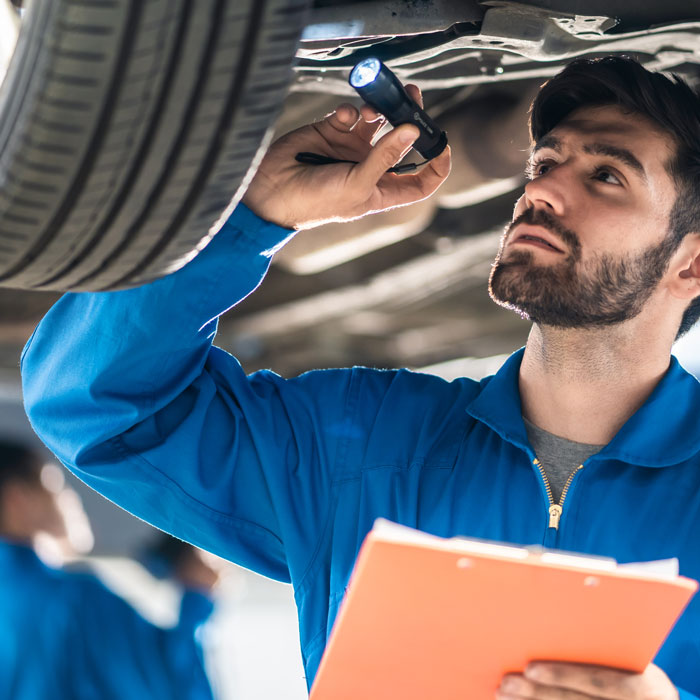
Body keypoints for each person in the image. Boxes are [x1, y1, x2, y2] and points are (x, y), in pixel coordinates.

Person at [21, 55, 700, 699]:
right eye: (546, 161)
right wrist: (251, 215)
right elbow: (99, 407)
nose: (543, 189)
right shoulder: (358, 444)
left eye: (607, 175)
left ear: (691, 265)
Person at [0, 441, 218, 700]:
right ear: (17, 500)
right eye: (55, 486)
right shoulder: (74, 601)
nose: (71, 499)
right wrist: (196, 598)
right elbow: (171, 688)